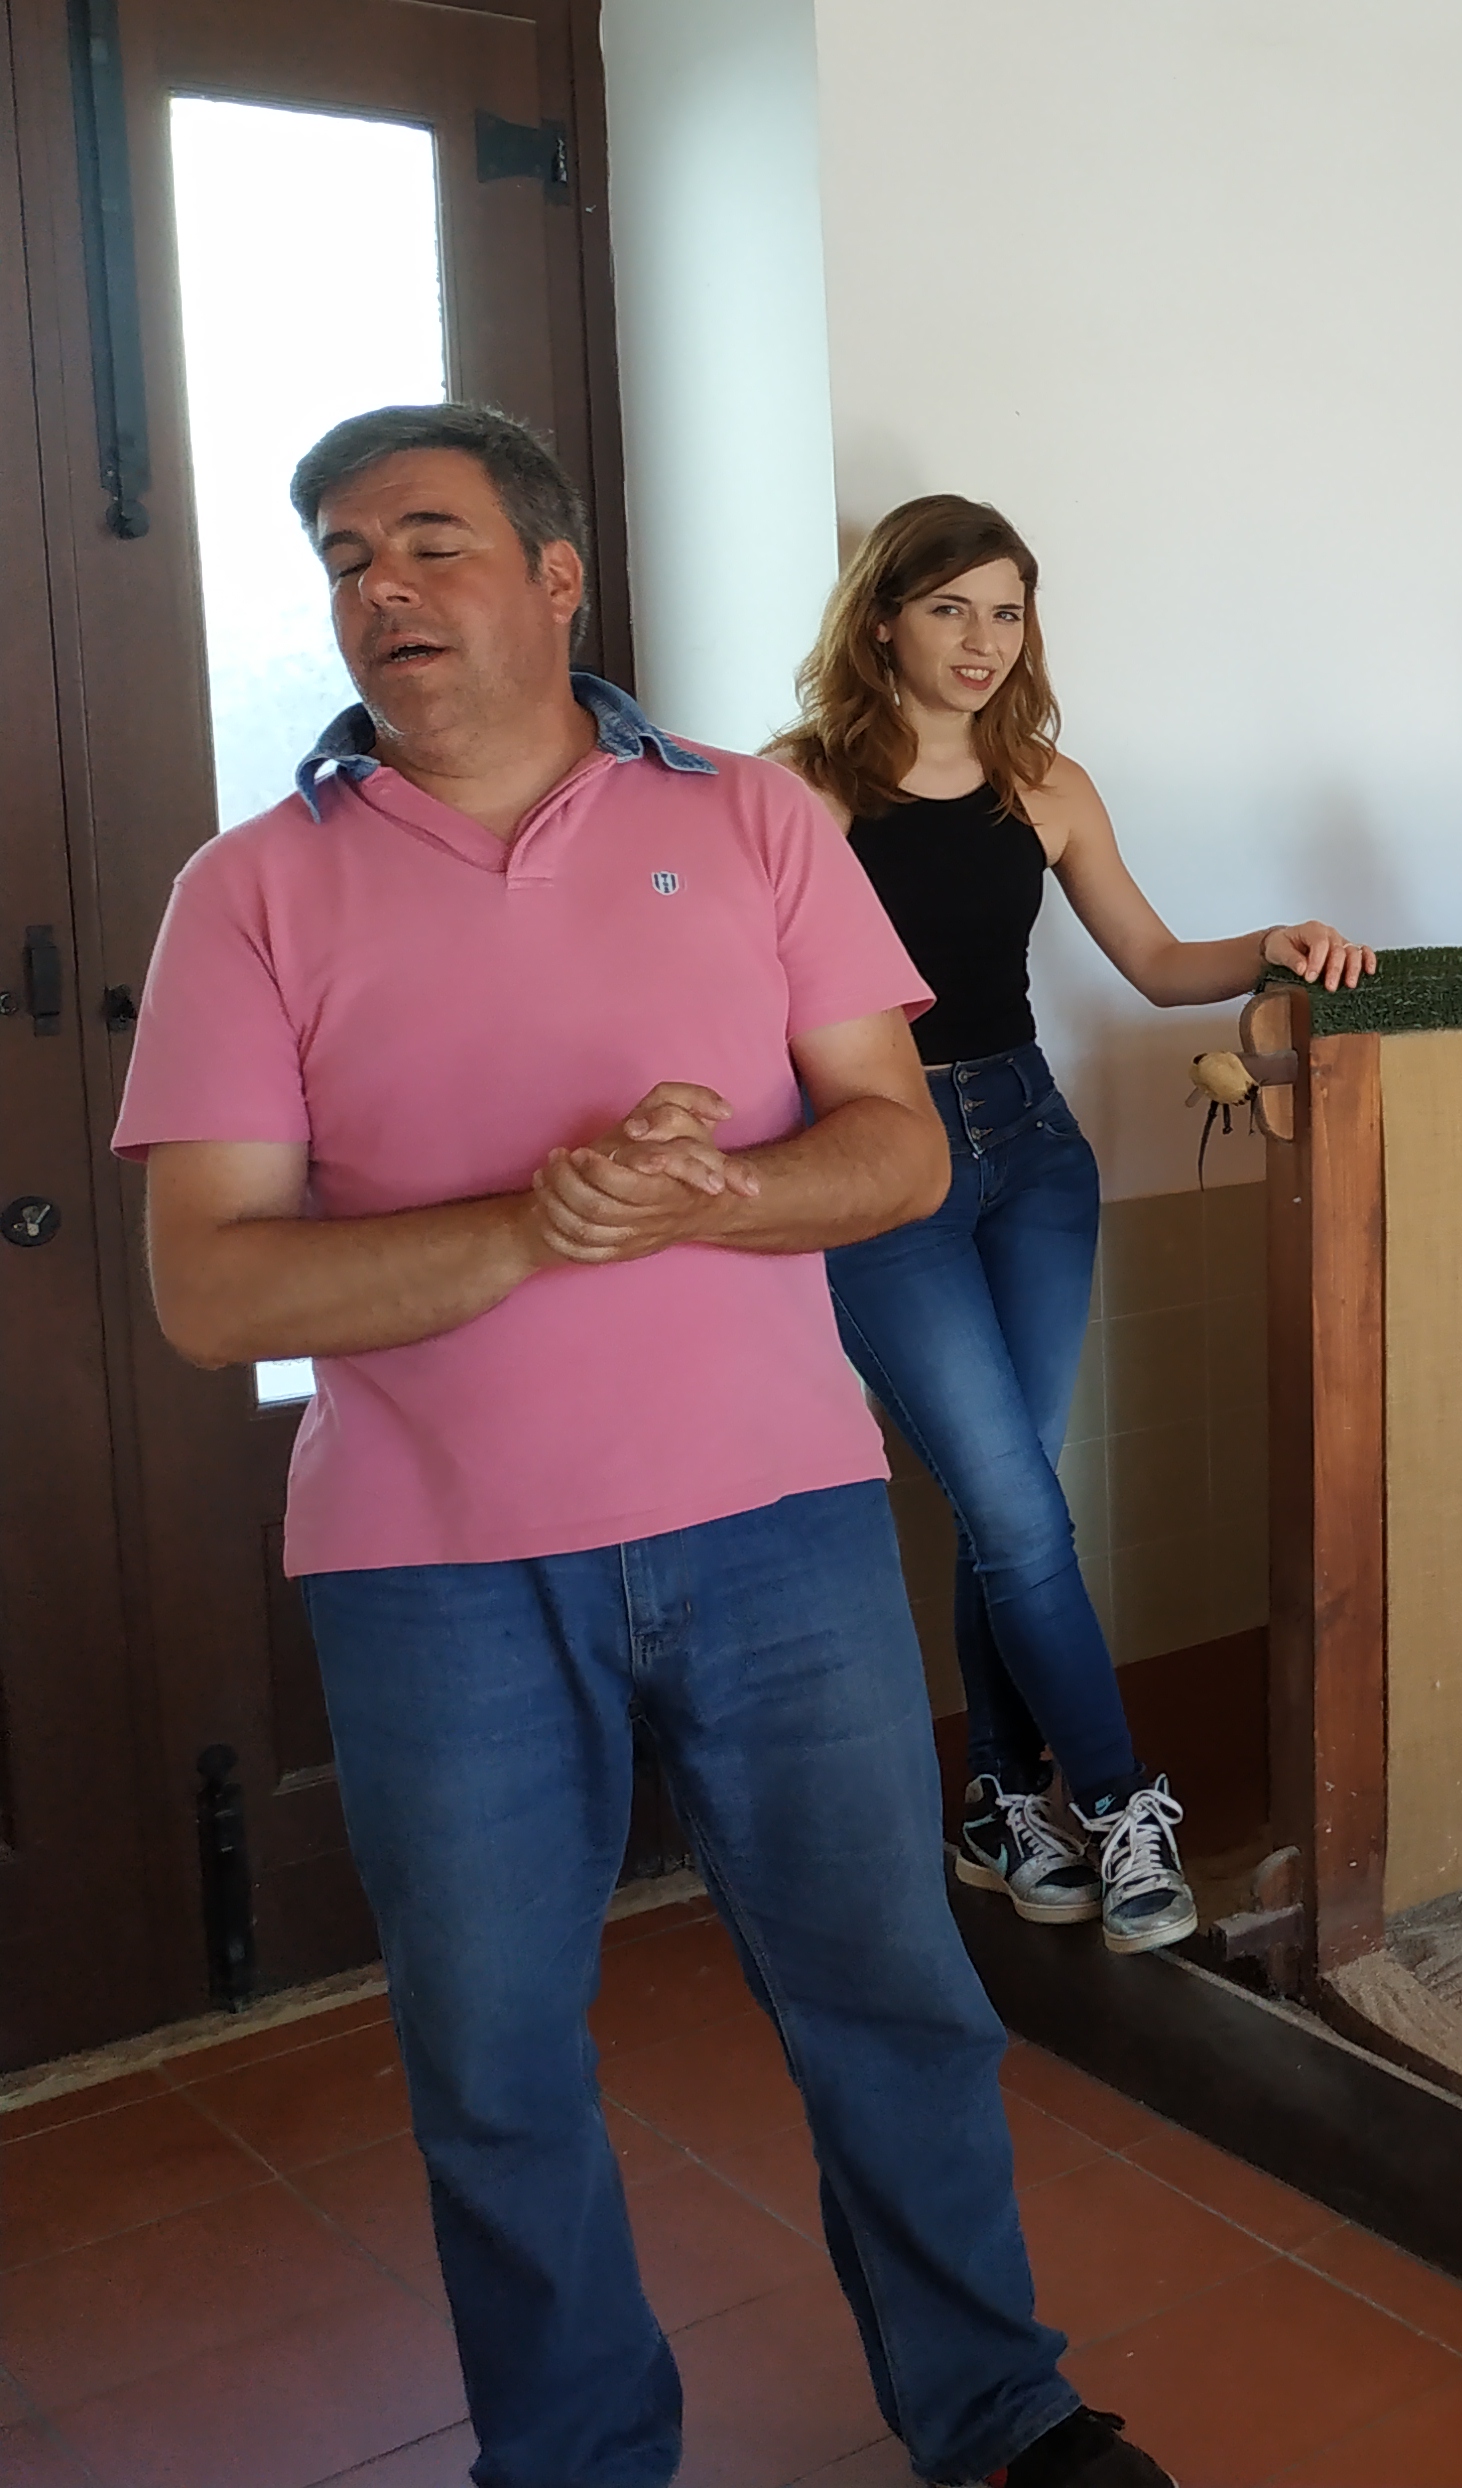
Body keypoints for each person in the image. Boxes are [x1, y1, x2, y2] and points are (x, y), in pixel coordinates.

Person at [122, 403, 1168, 2488]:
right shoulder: (249, 892)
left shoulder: (753, 819)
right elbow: (214, 1290)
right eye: (344, 559)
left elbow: (890, 1150)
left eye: (429, 540)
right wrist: (532, 1226)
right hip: (433, 1571)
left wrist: (716, 1194)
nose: (380, 588)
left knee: (891, 2001)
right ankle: (576, 2459)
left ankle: (999, 2414)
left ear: (556, 576)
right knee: (496, 2069)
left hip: (782, 1524)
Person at [770, 496, 1368, 1954]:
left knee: (1012, 1501)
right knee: (1020, 1509)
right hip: (883, 1159)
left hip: (1032, 1148)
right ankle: (1113, 1799)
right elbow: (744, 997)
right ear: (882, 620)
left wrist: (1274, 944)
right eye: (950, 609)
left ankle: (996, 1801)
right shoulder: (800, 790)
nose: (983, 641)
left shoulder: (1045, 782)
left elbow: (1155, 963)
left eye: (1007, 610)